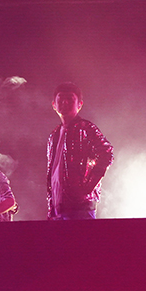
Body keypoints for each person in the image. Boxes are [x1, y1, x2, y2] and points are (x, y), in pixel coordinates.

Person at [45, 82, 113, 220]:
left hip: (81, 209)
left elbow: (106, 153)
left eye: (70, 99)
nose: (65, 102)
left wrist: (87, 187)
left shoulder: (86, 128)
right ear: (54, 105)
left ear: (79, 104)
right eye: (61, 99)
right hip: (57, 209)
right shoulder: (54, 135)